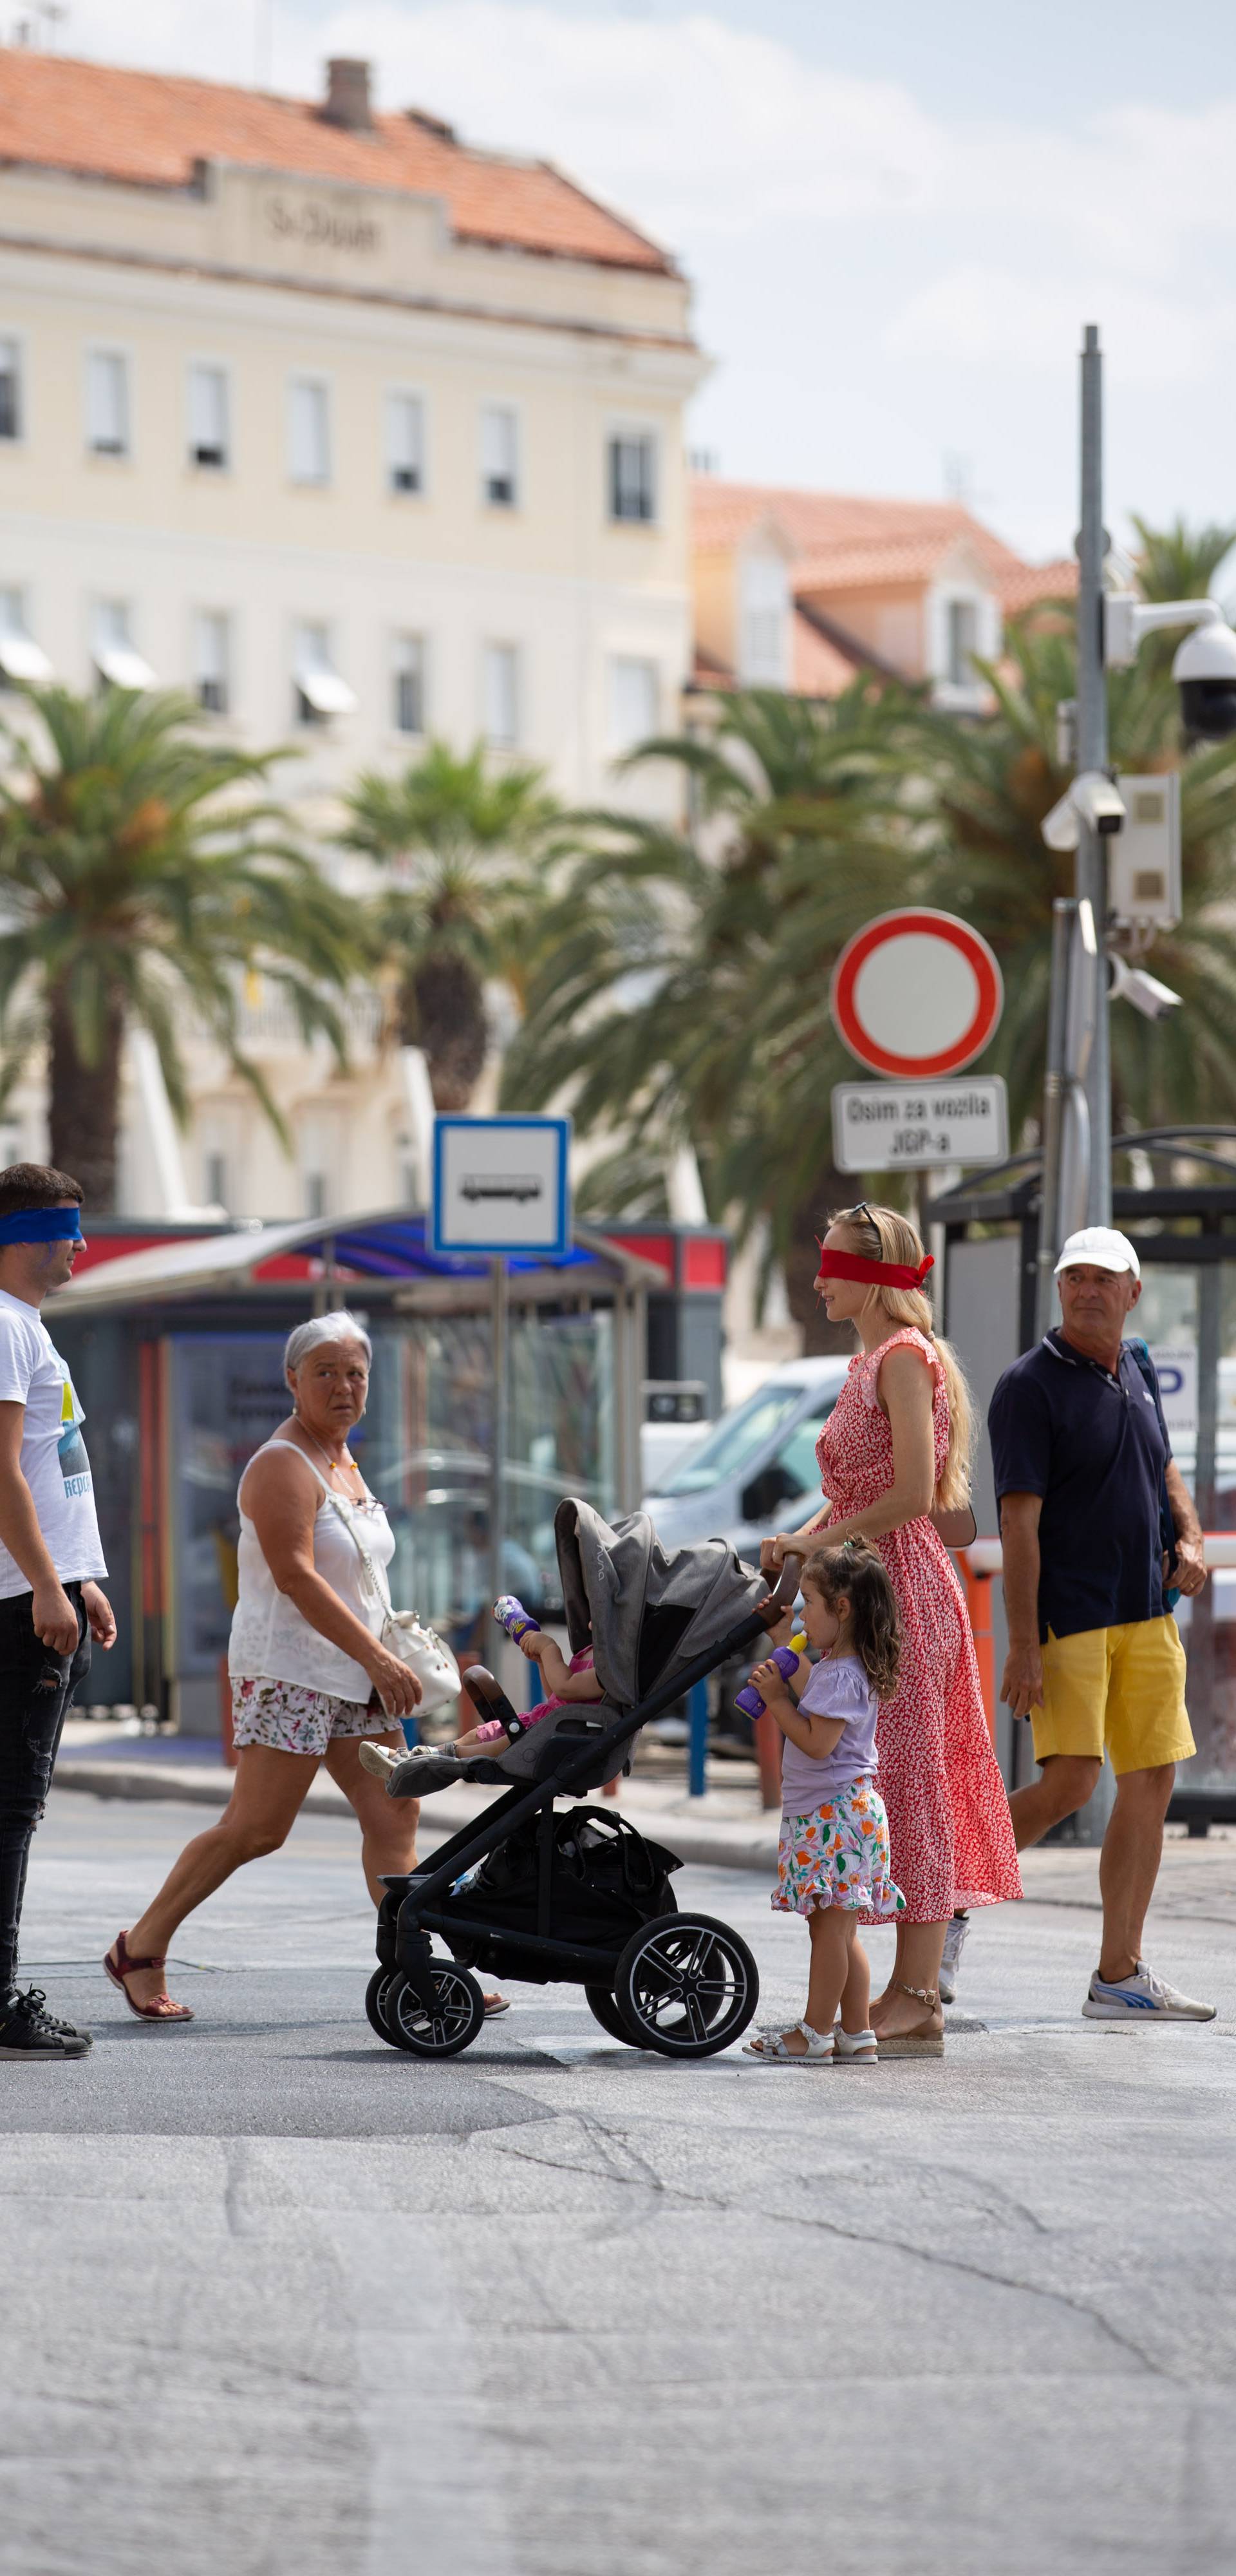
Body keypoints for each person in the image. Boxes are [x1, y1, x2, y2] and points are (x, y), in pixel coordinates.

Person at [103, 1314, 515, 2021]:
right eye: (325, 1371)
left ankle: (426, 1969)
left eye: (355, 1373)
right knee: (258, 1828)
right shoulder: (279, 1465)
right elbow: (295, 1575)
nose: (343, 1386)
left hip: (354, 1675)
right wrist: (377, 1655)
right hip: (292, 1672)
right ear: (292, 1380)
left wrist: (377, 1657)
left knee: (395, 1812)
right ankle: (140, 1946)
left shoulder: (344, 1462)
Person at [762, 1202, 1021, 2054]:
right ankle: (908, 1994)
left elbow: (916, 1495)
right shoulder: (874, 1359)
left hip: (902, 1588)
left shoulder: (903, 1359)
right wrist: (806, 1537)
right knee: (896, 1779)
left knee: (911, 1784)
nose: (819, 1278)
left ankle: (918, 1995)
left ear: (874, 1276)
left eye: (831, 1263)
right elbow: (861, 1494)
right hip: (875, 1580)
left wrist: (815, 1541)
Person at [989, 1226, 1213, 2022]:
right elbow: (1018, 1524)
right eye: (1073, 1277)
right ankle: (944, 1899)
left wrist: (1186, 1534)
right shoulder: (1028, 1385)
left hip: (1149, 1614)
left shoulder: (1141, 1365)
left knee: (1153, 1779)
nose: (1087, 1290)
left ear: (1133, 1292)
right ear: (1060, 1290)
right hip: (1071, 1617)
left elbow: (1164, 1467)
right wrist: (1022, 1645)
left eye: (1102, 1278)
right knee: (1071, 1781)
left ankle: (1119, 1973)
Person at [0, 1164, 117, 2062]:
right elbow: (2, 1472)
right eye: (66, 1229)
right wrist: (45, 1584)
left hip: (39, 1589)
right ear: (21, 1237)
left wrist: (78, 1578)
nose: (80, 1246)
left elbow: (51, 1469)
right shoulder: (5, 1327)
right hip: (16, 1602)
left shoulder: (26, 1328)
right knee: (11, 1804)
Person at [743, 1539, 905, 2063]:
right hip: (838, 1814)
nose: (803, 1615)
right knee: (837, 1930)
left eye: (810, 1603)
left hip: (834, 1816)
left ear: (842, 1609)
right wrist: (783, 1645)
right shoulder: (843, 1667)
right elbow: (820, 1695)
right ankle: (856, 2032)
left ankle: (814, 2033)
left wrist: (774, 1701)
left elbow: (816, 1740)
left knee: (830, 1934)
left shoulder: (842, 1672)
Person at [362, 1622, 601, 1790]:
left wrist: (550, 1649)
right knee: (474, 1736)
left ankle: (425, 1763)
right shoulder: (589, 1653)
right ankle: (413, 1759)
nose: (590, 1624)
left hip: (551, 1740)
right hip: (541, 1725)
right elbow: (559, 1697)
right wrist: (541, 1662)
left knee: (479, 1750)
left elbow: (566, 1687)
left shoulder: (607, 1671)